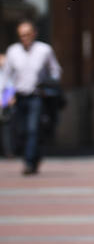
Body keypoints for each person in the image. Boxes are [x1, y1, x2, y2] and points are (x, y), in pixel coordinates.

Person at [1, 21, 62, 176]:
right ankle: (33, 157)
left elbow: (56, 71)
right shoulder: (13, 51)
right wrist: (6, 96)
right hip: (19, 97)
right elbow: (7, 75)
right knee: (20, 131)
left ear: (34, 33)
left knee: (33, 129)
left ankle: (29, 162)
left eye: (27, 34)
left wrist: (49, 85)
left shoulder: (44, 50)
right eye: (21, 35)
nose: (24, 38)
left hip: (37, 96)